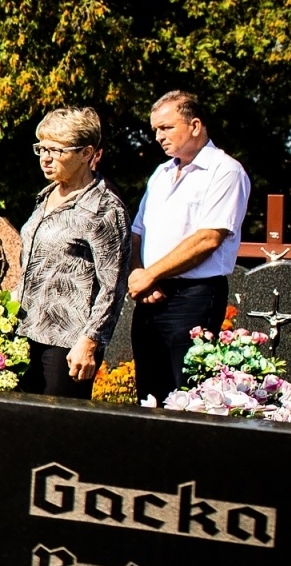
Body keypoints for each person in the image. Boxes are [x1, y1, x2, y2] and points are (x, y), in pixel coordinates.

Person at [127, 90, 250, 404]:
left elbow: (208, 238)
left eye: (166, 128)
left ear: (195, 126)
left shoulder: (225, 171)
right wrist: (138, 274)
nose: (158, 137)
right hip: (149, 295)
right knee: (149, 394)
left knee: (188, 395)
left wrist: (150, 273)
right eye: (155, 129)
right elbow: (138, 232)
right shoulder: (161, 173)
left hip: (193, 297)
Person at [15, 108, 130, 398]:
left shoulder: (104, 209)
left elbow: (112, 285)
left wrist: (90, 341)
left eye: (56, 150)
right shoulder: (46, 196)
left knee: (56, 431)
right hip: (25, 330)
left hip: (67, 342)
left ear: (86, 153)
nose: (45, 157)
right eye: (41, 148)